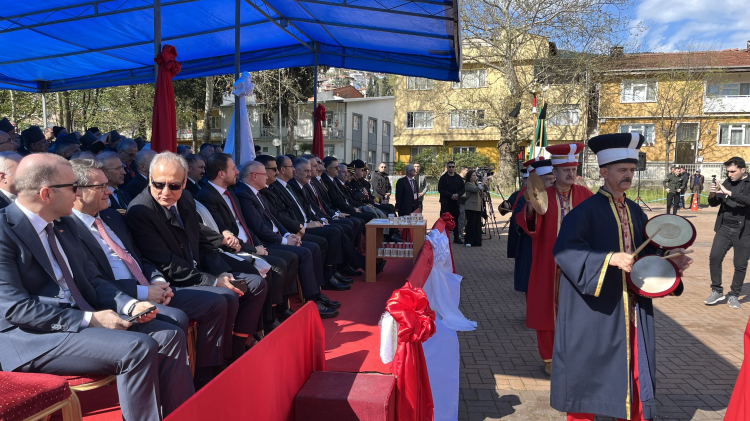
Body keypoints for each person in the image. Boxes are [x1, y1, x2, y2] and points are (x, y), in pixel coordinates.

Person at [0, 153, 194, 419]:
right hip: (32, 338)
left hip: (80, 317)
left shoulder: (64, 224)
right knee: (137, 348)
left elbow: (92, 280)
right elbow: (15, 309)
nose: (78, 193)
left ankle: (181, 414)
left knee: (168, 335)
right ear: (46, 194)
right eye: (73, 187)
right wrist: (91, 319)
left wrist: (130, 304)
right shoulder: (4, 231)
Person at [551, 133, 692, 420]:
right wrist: (609, 258)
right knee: (588, 368)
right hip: (595, 308)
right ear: (604, 172)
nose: (628, 175)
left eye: (631, 169)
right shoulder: (584, 212)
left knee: (636, 366)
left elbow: (647, 249)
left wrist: (670, 258)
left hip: (633, 305)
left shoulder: (635, 210)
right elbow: (565, 252)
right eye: (622, 170)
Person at [69, 158, 227, 390]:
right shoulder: (67, 229)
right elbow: (93, 282)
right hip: (118, 299)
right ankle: (178, 390)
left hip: (150, 286)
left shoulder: (112, 217)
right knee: (175, 320)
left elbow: (138, 257)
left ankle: (207, 377)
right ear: (78, 191)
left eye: (107, 185)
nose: (109, 191)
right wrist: (143, 292)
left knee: (217, 302)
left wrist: (157, 280)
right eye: (101, 187)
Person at [126, 151, 268, 362]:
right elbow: (166, 265)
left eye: (174, 185)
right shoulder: (140, 211)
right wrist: (213, 281)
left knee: (255, 284)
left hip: (197, 269)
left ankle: (237, 347)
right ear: (149, 179)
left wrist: (222, 273)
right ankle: (209, 368)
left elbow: (201, 242)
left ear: (184, 183)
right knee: (225, 296)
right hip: (173, 280)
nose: (165, 192)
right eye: (159, 184)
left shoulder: (185, 198)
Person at [194, 154, 309, 324]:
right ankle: (267, 320)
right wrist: (253, 249)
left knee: (288, 259)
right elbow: (224, 234)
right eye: (233, 168)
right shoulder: (206, 196)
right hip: (232, 250)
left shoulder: (230, 194)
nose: (237, 172)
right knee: (274, 266)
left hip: (249, 244)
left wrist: (258, 245)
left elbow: (245, 225)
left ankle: (277, 309)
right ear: (221, 174)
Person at [516, 144, 592, 375]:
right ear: (555, 172)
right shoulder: (543, 197)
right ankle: (550, 357)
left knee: (580, 310)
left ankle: (576, 355)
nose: (571, 174)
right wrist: (531, 209)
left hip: (579, 263)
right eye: (566, 170)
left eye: (574, 169)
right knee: (547, 309)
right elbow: (530, 227)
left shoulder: (586, 195)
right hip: (549, 262)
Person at [235, 161, 338, 318]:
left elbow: (274, 219)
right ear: (254, 176)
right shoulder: (243, 195)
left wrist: (287, 235)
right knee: (303, 253)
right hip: (265, 242)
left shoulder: (257, 193)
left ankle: (315, 295)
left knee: (312, 248)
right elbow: (258, 227)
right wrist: (283, 240)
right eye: (264, 174)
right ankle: (307, 301)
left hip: (276, 237)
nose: (268, 176)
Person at [704, 156, 750, 309]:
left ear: (743, 170)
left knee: (740, 264)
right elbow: (714, 203)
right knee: (715, 257)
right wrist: (712, 195)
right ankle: (716, 290)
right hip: (724, 228)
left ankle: (734, 294)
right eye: (728, 172)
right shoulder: (727, 182)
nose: (729, 174)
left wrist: (730, 193)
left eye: (732, 171)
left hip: (744, 231)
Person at [438, 161, 465, 243]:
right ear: (447, 167)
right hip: (446, 203)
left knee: (456, 220)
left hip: (456, 203)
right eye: (449, 167)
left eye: (453, 167)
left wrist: (458, 194)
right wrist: (451, 195)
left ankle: (456, 238)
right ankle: (442, 238)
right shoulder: (443, 178)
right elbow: (440, 189)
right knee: (444, 220)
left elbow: (463, 189)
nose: (451, 168)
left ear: (455, 167)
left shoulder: (458, 178)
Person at [463, 169, 485, 247]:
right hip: (471, 207)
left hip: (478, 207)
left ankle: (476, 241)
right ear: (469, 177)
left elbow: (479, 190)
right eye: (473, 175)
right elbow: (475, 190)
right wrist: (483, 182)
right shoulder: (468, 184)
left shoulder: (476, 184)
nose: (475, 177)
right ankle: (468, 240)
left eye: (475, 175)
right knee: (471, 224)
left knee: (477, 225)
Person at [457, 166, 469, 240]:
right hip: (460, 201)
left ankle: (461, 233)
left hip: (466, 201)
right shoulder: (458, 178)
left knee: (465, 219)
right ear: (462, 170)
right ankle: (458, 234)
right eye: (466, 170)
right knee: (461, 218)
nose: (467, 172)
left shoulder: (466, 179)